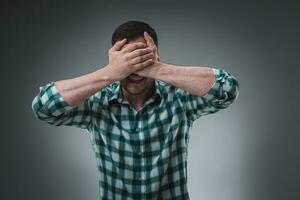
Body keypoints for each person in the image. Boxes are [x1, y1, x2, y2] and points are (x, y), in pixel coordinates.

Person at [31, 20, 240, 200]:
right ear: (114, 59)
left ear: (156, 54)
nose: (134, 66)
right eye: (127, 59)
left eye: (142, 55)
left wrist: (158, 68)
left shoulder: (179, 98)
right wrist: (109, 73)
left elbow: (227, 89)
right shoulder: (97, 102)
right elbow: (43, 107)